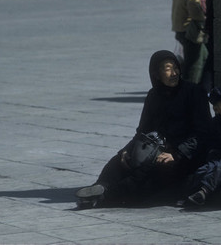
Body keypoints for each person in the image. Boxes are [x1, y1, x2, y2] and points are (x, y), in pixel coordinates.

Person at [75, 50, 211, 208]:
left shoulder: (194, 93)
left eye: (176, 68)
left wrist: (177, 154)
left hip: (183, 156)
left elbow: (203, 133)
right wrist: (127, 149)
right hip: (154, 149)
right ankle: (100, 186)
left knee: (144, 176)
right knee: (119, 162)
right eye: (167, 69)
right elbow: (142, 130)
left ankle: (104, 196)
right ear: (156, 74)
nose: (174, 73)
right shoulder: (153, 95)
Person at [171, 0, 209, 84]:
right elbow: (196, 14)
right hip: (189, 32)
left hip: (179, 30)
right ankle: (191, 87)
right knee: (194, 63)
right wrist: (205, 18)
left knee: (202, 56)